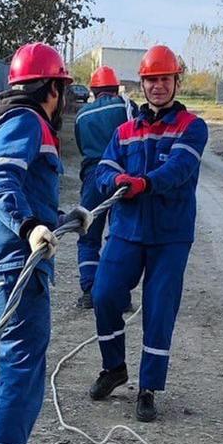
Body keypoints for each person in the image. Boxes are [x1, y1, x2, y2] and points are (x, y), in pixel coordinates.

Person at [0, 42, 91, 444]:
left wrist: (64, 218)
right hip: (11, 264)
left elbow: (26, 192)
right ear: (51, 89)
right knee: (24, 368)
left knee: (14, 364)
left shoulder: (11, 122)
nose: (63, 100)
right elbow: (3, 187)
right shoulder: (26, 121)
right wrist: (28, 226)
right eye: (62, 89)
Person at [87, 45, 209, 423]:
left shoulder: (192, 127)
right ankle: (114, 368)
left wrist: (144, 183)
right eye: (151, 80)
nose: (158, 86)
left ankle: (148, 388)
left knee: (158, 311)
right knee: (104, 294)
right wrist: (116, 180)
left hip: (170, 236)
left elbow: (179, 170)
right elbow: (103, 169)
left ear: (176, 81)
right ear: (141, 83)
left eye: (164, 79)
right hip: (126, 231)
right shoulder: (124, 131)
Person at [72, 65, 137, 309]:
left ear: (93, 89)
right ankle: (119, 294)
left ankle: (90, 291)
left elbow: (81, 147)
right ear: (114, 87)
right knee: (119, 237)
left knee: (88, 237)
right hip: (121, 178)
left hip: (92, 178)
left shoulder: (82, 115)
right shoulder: (125, 106)